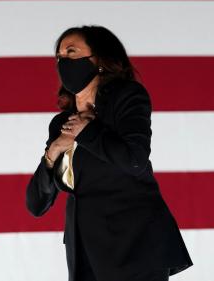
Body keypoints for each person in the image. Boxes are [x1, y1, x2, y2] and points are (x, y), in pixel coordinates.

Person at [26, 26, 192, 281]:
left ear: (100, 60)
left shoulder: (128, 98)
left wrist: (87, 132)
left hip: (134, 248)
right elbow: (36, 205)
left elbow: (134, 161)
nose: (63, 62)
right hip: (85, 255)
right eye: (59, 56)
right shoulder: (60, 124)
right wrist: (53, 152)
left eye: (72, 52)